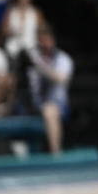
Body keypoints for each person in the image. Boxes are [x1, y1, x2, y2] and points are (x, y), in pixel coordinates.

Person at [26, 25, 73, 154]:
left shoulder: (63, 59)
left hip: (58, 104)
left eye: (48, 40)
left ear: (53, 41)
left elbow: (61, 78)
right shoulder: (32, 57)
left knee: (50, 111)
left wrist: (41, 68)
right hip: (35, 103)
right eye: (42, 41)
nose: (45, 44)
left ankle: (56, 152)